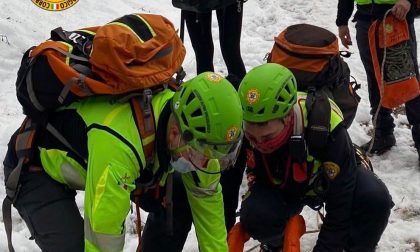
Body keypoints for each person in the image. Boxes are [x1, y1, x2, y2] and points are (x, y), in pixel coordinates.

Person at [3, 71, 243, 252]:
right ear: (175, 133)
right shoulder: (120, 149)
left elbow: (211, 225)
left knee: (180, 195)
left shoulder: (203, 141)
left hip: (107, 162)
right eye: (201, 154)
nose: (207, 162)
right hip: (34, 167)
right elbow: (102, 242)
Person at [233, 63, 394, 251]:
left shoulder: (325, 123)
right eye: (252, 138)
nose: (259, 144)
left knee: (375, 199)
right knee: (255, 214)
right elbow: (227, 191)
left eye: (268, 137)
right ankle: (276, 243)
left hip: (324, 179)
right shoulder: (242, 123)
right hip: (279, 185)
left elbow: (340, 202)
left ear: (288, 118)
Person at [336, 0, 420, 156]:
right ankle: (383, 133)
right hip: (365, 21)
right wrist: (342, 21)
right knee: (374, 77)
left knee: (409, 79)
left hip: (396, 16)